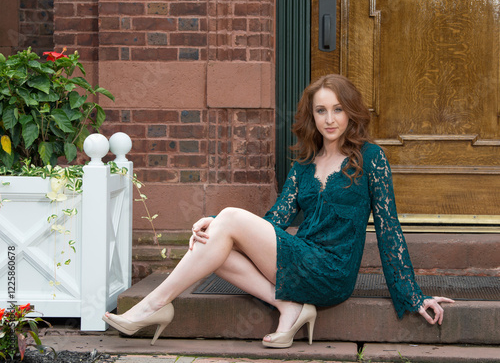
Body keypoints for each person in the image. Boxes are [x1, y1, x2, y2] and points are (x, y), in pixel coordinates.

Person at [103, 74, 454, 348]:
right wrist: (217, 225)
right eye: (321, 110)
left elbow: (389, 227)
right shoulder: (303, 166)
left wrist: (412, 293)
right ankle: (288, 306)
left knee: (226, 222)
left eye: (337, 109)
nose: (329, 119)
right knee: (212, 244)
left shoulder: (371, 158)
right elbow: (273, 223)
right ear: (311, 116)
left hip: (333, 271)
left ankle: (155, 304)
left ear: (351, 112)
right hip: (301, 257)